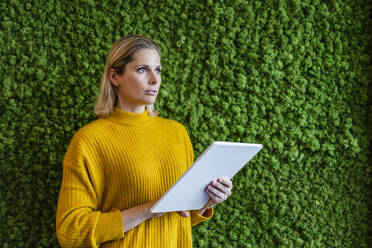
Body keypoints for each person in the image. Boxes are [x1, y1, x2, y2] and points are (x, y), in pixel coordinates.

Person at [56, 35, 233, 248]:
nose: (154, 79)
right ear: (115, 76)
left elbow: (180, 219)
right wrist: (148, 209)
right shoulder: (89, 140)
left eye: (158, 70)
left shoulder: (176, 133)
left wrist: (206, 202)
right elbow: (70, 231)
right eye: (142, 70)